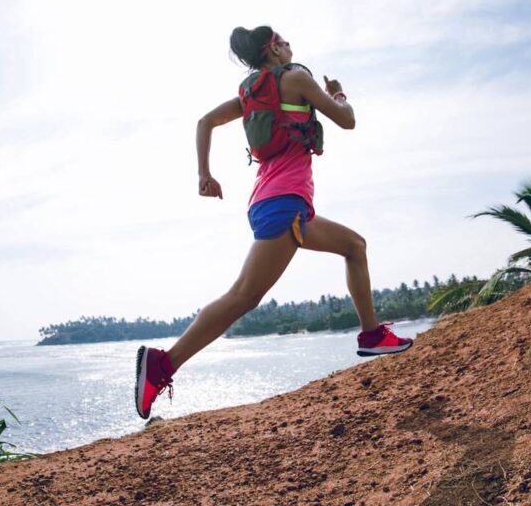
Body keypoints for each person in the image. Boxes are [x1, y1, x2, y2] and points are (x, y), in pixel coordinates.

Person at [135, 26, 412, 420]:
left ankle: (371, 335)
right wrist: (337, 93)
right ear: (275, 48)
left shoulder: (250, 95)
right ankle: (163, 364)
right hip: (284, 204)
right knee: (244, 297)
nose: (291, 46)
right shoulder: (298, 78)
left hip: (276, 201)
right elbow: (346, 121)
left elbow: (204, 121)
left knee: (354, 246)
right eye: (286, 41)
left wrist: (204, 174)